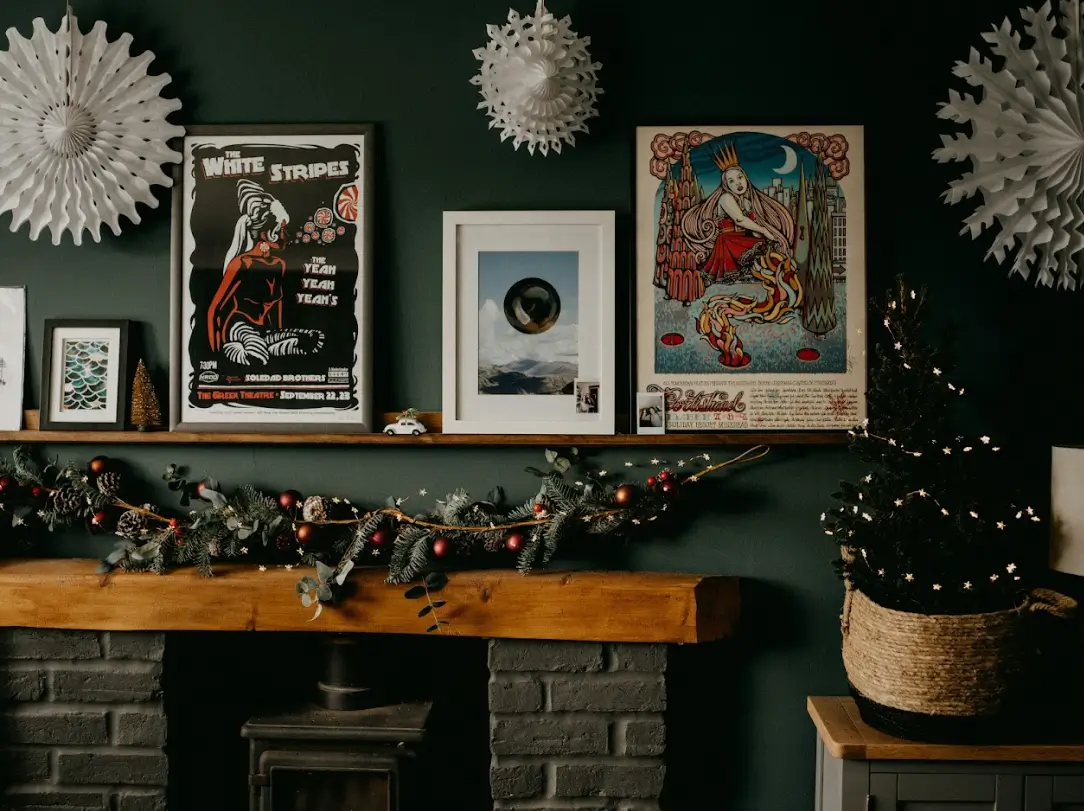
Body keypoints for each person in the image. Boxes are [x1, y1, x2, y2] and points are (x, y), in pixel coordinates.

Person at [208, 180, 324, 365]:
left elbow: (276, 305)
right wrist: (213, 352)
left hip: (263, 329)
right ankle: (261, 347)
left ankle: (270, 343)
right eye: (281, 228)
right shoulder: (242, 263)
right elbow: (216, 308)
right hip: (239, 328)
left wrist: (277, 330)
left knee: (313, 338)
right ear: (267, 233)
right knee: (257, 355)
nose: (285, 234)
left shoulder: (279, 264)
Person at [682, 144, 795, 281]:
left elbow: (752, 230)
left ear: (746, 178)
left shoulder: (747, 202)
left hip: (742, 241)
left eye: (740, 177)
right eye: (731, 181)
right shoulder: (726, 198)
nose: (738, 183)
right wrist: (764, 231)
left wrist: (764, 234)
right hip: (729, 242)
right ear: (726, 185)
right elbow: (739, 219)